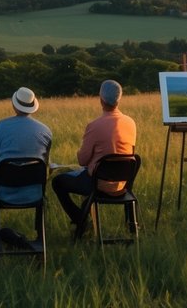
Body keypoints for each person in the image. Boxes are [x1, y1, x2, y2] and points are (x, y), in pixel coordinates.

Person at [51, 79, 138, 237]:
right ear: (119, 99)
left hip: (98, 184)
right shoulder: (130, 123)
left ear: (101, 99)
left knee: (58, 182)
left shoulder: (94, 125)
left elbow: (82, 161)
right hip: (123, 185)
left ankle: (80, 219)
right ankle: (88, 218)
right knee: (87, 176)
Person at [0, 87, 53, 231]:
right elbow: (46, 164)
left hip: (3, 191)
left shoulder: (1, 126)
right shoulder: (45, 131)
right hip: (35, 192)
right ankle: (39, 235)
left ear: (14, 105)